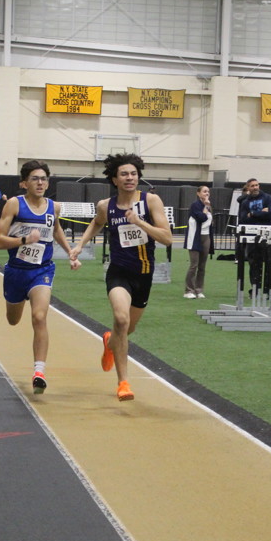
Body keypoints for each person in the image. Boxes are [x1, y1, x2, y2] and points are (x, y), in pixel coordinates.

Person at [69, 153, 172, 401]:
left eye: (133, 174)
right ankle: (123, 383)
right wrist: (80, 245)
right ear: (115, 179)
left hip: (143, 275)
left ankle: (110, 343)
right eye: (124, 174)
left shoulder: (151, 201)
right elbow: (97, 222)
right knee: (121, 319)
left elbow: (167, 238)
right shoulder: (106, 205)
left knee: (127, 328)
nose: (129, 178)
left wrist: (139, 222)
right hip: (118, 273)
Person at [0, 160, 80, 394]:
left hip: (42, 270)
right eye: (35, 179)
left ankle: (39, 373)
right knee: (13, 320)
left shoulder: (54, 207)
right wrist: (24, 240)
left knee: (39, 316)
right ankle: (15, 302)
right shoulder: (14, 204)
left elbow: (56, 229)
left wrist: (70, 252)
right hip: (16, 271)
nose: (40, 183)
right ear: (24, 183)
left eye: (44, 179)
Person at [237, 178, 271, 294]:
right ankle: (255, 289)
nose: (255, 187)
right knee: (254, 264)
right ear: (248, 188)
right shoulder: (245, 202)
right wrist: (261, 212)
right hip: (252, 237)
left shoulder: (267, 198)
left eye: (257, 185)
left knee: (269, 263)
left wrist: (253, 213)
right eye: (252, 186)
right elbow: (243, 219)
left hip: (267, 236)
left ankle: (268, 290)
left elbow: (270, 214)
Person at [183, 185, 212, 299]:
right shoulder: (195, 205)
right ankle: (188, 290)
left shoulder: (209, 205)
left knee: (202, 266)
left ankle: (199, 289)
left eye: (208, 191)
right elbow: (201, 217)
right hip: (195, 237)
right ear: (198, 193)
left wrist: (207, 207)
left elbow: (210, 221)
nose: (207, 193)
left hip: (206, 237)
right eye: (204, 191)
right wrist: (206, 207)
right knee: (194, 265)